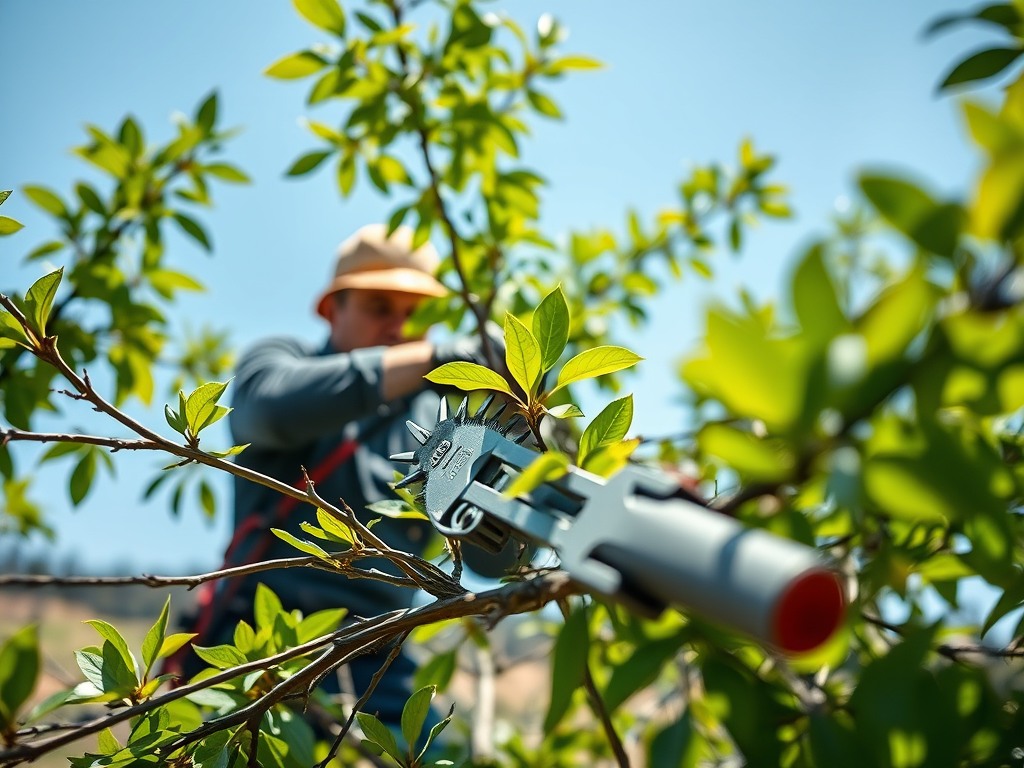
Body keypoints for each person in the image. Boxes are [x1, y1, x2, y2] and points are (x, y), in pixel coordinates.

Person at [177, 224, 500, 727]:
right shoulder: (282, 362)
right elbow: (268, 412)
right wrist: (437, 357)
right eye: (380, 308)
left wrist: (515, 420)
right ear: (333, 310)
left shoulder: (438, 428)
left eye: (417, 315)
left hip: (379, 666)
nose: (399, 327)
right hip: (257, 650)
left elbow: (490, 560)